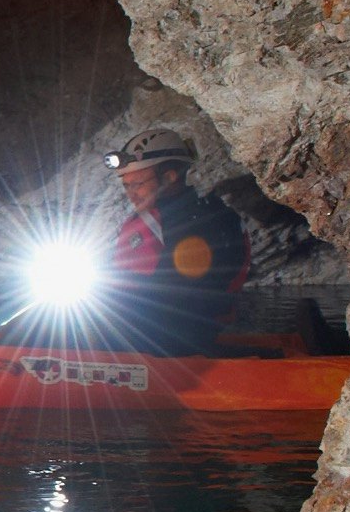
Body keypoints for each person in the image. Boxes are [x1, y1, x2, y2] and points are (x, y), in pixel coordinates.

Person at [99, 126, 250, 355]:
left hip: (170, 337)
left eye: (138, 184)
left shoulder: (199, 222)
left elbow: (182, 294)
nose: (131, 193)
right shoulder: (156, 218)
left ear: (169, 178)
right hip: (150, 330)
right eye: (126, 185)